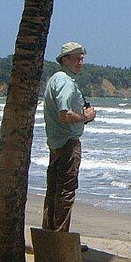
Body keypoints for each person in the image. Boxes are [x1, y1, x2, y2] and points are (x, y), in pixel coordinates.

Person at [42, 41, 96, 232]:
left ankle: (49, 234)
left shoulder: (55, 80)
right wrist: (85, 116)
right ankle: (60, 239)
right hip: (67, 144)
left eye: (82, 59)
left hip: (56, 143)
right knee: (66, 192)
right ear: (65, 59)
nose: (81, 62)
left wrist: (82, 118)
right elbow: (64, 115)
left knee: (54, 191)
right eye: (77, 58)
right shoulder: (65, 82)